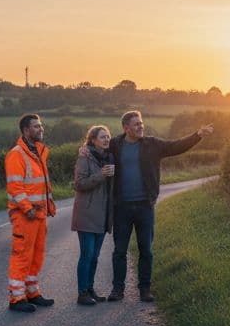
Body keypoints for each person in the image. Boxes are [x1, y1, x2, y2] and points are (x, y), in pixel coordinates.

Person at [96, 110, 213, 302]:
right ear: (126, 128)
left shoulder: (152, 144)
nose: (141, 126)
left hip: (145, 206)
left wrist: (197, 135)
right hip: (122, 207)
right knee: (119, 251)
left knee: (146, 250)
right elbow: (96, 150)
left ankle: (145, 289)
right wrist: (84, 151)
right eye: (136, 124)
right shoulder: (115, 145)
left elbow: (176, 146)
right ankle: (118, 290)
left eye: (141, 123)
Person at [5, 113, 56, 312]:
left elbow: (42, 185)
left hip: (39, 215)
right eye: (36, 126)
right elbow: (15, 187)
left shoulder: (39, 152)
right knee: (22, 256)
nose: (41, 129)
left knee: (37, 255)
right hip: (25, 216)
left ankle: (31, 292)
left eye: (41, 126)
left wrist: (49, 205)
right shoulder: (17, 154)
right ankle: (16, 298)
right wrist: (27, 209)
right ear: (26, 130)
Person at [71, 125, 116, 305]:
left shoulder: (110, 157)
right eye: (103, 137)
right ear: (93, 140)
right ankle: (82, 293)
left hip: (103, 215)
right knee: (87, 255)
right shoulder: (84, 158)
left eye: (108, 137)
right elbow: (79, 184)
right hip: (87, 214)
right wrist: (100, 175)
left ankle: (90, 289)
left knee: (95, 256)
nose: (106, 140)